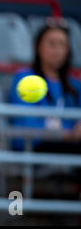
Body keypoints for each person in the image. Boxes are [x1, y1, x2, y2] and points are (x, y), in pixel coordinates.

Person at [9, 17, 81, 152]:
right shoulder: (25, 79)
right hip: (35, 147)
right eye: (52, 44)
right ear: (38, 46)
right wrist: (67, 134)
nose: (58, 50)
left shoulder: (76, 86)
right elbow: (26, 123)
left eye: (62, 44)